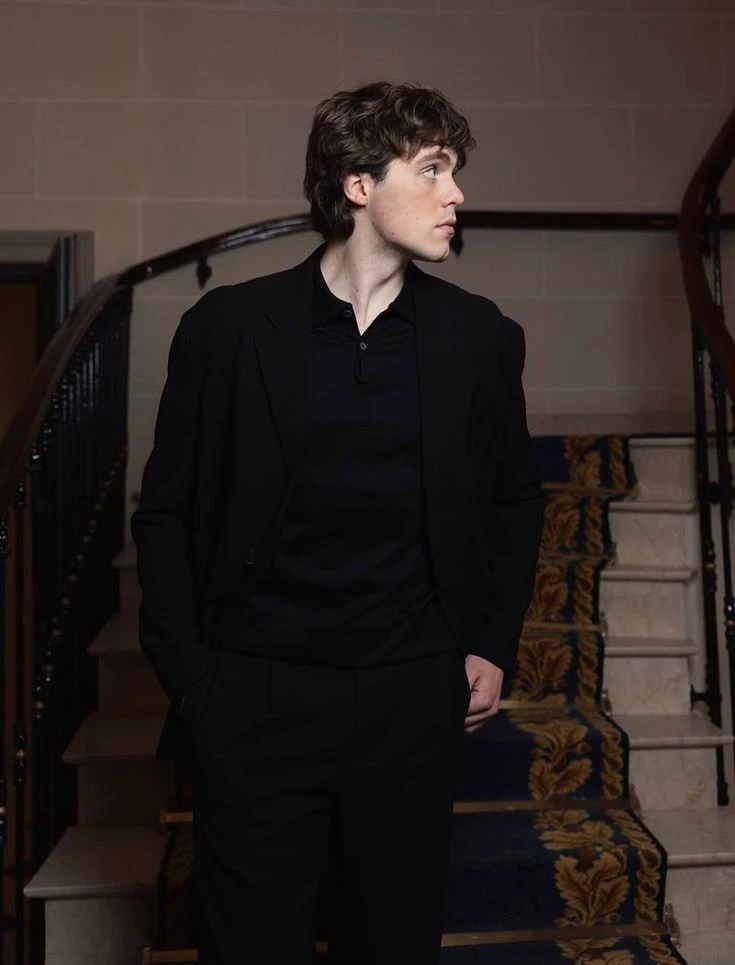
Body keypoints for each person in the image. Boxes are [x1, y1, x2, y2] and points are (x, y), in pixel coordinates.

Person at [131, 81, 546, 965]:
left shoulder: (479, 337)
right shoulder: (229, 328)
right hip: (256, 694)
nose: (455, 193)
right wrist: (195, 680)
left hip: (409, 696)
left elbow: (513, 502)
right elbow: (164, 512)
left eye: (454, 171)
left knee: (390, 943)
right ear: (358, 183)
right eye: (431, 169)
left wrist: (488, 640)